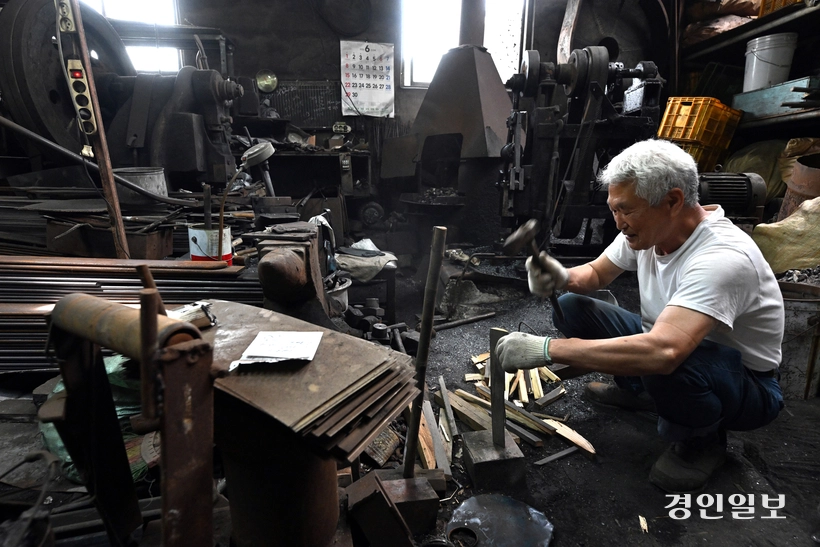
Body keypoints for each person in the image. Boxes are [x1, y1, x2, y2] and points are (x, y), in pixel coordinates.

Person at [496, 138, 785, 493]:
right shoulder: (649, 228)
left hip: (746, 384)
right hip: (676, 347)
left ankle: (700, 442)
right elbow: (596, 276)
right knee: (574, 306)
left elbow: (664, 351)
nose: (619, 222)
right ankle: (640, 390)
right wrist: (562, 276)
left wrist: (546, 349)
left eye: (625, 210)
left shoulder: (722, 258)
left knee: (665, 362)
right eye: (614, 210)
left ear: (673, 201)